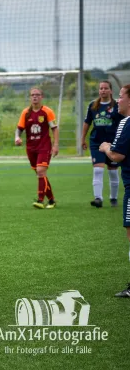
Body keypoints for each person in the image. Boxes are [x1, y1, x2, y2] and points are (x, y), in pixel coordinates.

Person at [98, 84, 130, 298]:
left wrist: (105, 147)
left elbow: (117, 156)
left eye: (120, 97)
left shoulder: (126, 123)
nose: (117, 101)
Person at [15, 88, 59, 209]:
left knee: (40, 171)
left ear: (41, 97)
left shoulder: (47, 112)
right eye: (32, 95)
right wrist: (17, 137)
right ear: (30, 97)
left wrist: (55, 145)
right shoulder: (26, 113)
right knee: (41, 174)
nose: (35, 97)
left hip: (44, 146)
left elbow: (54, 128)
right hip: (31, 148)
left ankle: (40, 200)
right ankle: (51, 200)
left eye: (37, 95)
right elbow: (19, 128)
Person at [82, 81, 121, 208]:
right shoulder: (93, 105)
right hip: (96, 142)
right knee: (98, 170)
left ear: (111, 91)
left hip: (113, 143)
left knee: (113, 172)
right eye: (101, 88)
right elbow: (87, 123)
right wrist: (82, 138)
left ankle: (113, 198)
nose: (103, 90)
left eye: (106, 88)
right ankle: (98, 198)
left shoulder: (117, 105)